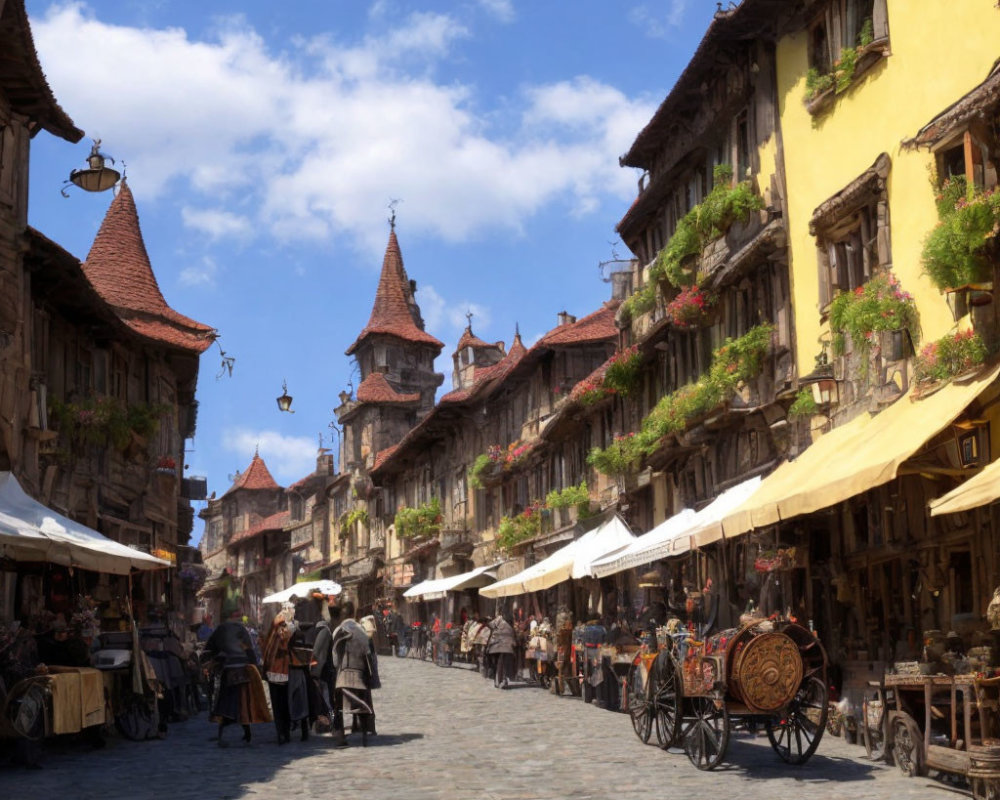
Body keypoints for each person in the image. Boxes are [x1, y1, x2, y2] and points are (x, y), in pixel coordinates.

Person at [204, 613, 271, 746]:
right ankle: (246, 733)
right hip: (242, 670)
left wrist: (215, 660)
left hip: (229, 670)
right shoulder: (241, 630)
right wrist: (255, 666)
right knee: (242, 703)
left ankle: (223, 735)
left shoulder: (221, 630)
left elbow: (210, 649)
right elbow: (249, 650)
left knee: (226, 703)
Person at [331, 601, 380, 743]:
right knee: (363, 702)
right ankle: (365, 730)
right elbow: (368, 654)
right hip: (359, 675)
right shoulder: (361, 631)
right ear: (353, 614)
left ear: (342, 615)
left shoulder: (337, 631)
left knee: (338, 706)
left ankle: (340, 734)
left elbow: (335, 658)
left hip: (342, 676)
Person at [261, 612, 294, 744]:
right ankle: (285, 732)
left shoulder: (273, 635)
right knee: (284, 704)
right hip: (284, 673)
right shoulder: (287, 634)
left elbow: (267, 653)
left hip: (274, 673)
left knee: (277, 705)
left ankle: (280, 732)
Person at [485, 613, 516, 689]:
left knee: (496, 664)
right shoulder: (509, 627)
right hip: (506, 648)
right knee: (503, 664)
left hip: (495, 648)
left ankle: (498, 679)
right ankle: (502, 678)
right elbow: (513, 638)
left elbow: (490, 627)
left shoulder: (496, 626)